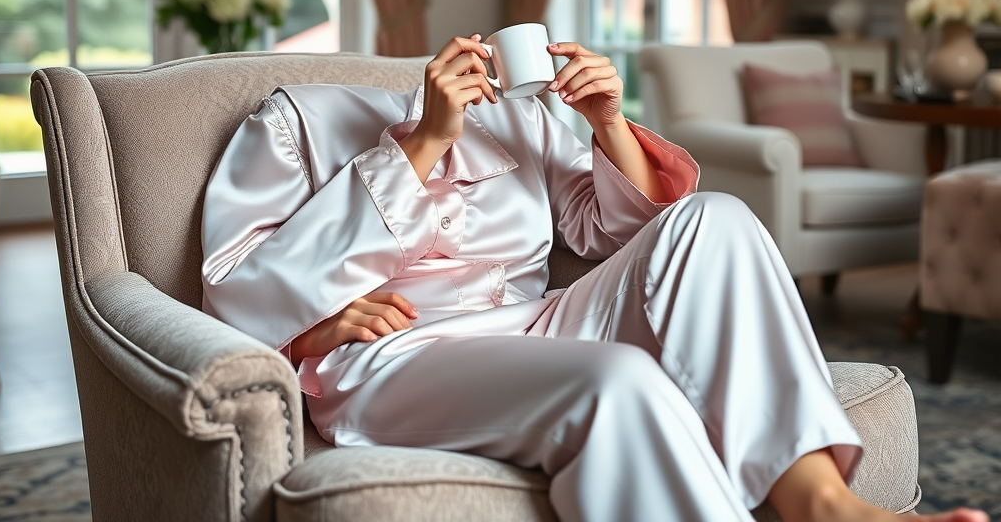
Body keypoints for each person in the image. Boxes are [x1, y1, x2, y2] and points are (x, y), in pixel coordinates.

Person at [201, 35, 987, 522]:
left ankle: (825, 507)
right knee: (618, 381)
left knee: (716, 217)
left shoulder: (520, 117)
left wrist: (607, 119)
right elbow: (231, 287)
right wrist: (425, 142)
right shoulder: (294, 121)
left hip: (534, 325)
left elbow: (620, 231)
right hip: (398, 355)